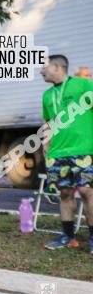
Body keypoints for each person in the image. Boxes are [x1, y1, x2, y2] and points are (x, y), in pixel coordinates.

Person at [40, 54, 93, 253]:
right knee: (65, 193)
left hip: (84, 150)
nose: (41, 71)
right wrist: (46, 143)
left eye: (44, 67)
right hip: (57, 153)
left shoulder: (82, 85)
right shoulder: (46, 95)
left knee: (88, 192)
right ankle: (68, 236)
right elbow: (48, 122)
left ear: (56, 67)